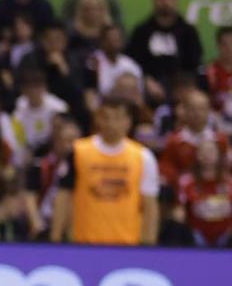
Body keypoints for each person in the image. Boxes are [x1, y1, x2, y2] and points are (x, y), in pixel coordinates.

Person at [50, 94, 159, 246]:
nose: (111, 124)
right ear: (98, 119)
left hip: (127, 245)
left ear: (128, 122)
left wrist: (149, 244)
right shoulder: (79, 151)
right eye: (106, 117)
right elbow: (63, 196)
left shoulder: (143, 157)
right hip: (85, 243)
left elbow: (150, 206)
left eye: (117, 118)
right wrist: (55, 238)